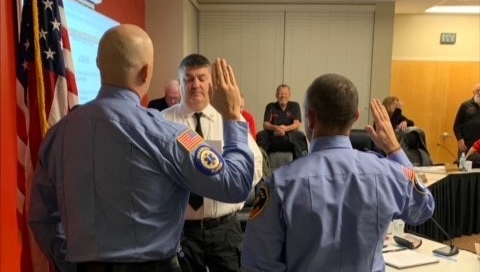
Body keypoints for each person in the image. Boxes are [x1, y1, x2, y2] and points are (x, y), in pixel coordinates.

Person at [28, 24, 255, 272]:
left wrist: (73, 264)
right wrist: (233, 115)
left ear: (98, 64)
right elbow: (235, 184)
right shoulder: (168, 134)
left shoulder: (58, 134)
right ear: (146, 72)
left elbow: (41, 218)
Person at [242, 73, 435, 272]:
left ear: (310, 118)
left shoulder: (280, 183)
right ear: (355, 118)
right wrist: (394, 149)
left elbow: (258, 264)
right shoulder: (387, 173)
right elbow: (423, 206)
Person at [161, 53, 263, 272]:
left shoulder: (230, 118)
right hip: (181, 231)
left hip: (225, 227)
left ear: (212, 83)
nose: (195, 84)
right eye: (188, 78)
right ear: (180, 83)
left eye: (201, 78)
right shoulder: (162, 122)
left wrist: (224, 174)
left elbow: (255, 167)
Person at [256, 84, 308, 159]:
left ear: (289, 95)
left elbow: (297, 124)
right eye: (280, 93)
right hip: (273, 136)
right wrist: (276, 128)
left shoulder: (294, 105)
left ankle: (302, 163)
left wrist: (285, 129)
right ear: (276, 95)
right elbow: (266, 124)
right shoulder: (270, 106)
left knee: (300, 135)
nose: (283, 96)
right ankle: (261, 164)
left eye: (285, 93)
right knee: (261, 135)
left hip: (289, 136)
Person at [453, 83, 480, 157]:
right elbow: (456, 125)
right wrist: (459, 139)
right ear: (473, 92)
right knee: (463, 166)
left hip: (478, 146)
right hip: (465, 145)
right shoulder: (465, 105)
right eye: (478, 90)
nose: (479, 93)